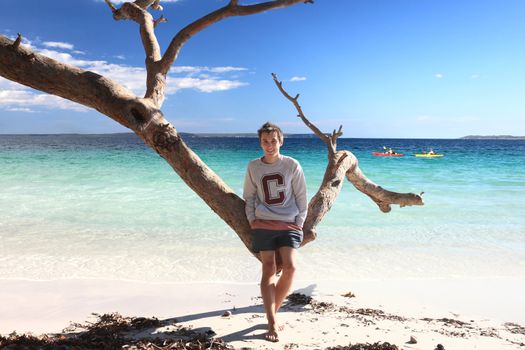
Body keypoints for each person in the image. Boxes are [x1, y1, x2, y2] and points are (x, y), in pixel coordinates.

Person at [243, 122, 308, 342]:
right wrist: (252, 219)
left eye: (273, 141)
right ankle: (272, 321)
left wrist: (299, 221)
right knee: (268, 269)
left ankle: (272, 312)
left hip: (289, 223)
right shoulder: (253, 167)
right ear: (260, 142)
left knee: (290, 268)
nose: (269, 145)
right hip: (263, 223)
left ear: (281, 141)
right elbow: (249, 196)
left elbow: (301, 196)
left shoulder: (291, 165)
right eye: (265, 141)